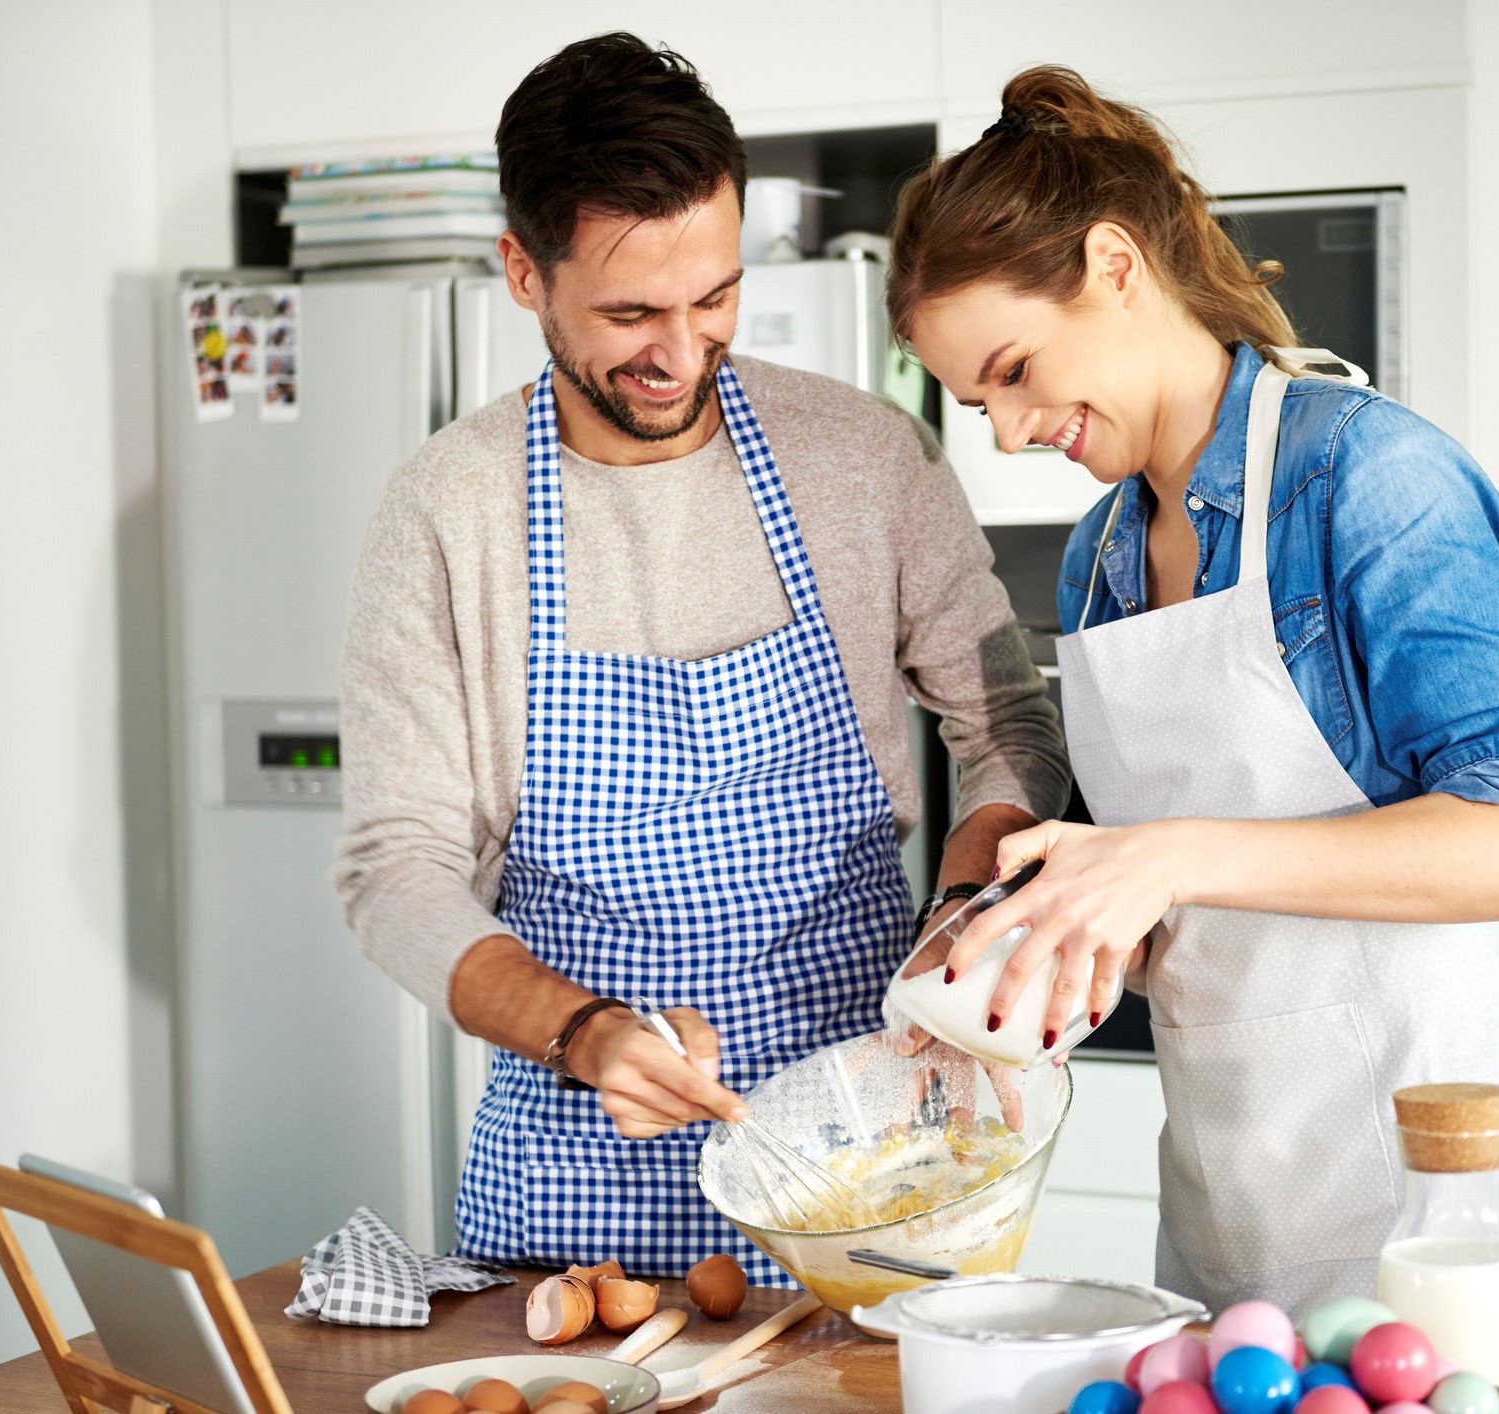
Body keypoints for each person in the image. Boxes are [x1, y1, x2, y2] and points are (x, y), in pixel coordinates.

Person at [885, 67, 1499, 1351]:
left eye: (1015, 371)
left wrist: (1164, 854)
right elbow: (1172, 906)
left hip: (1456, 1222)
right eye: (978, 404)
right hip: (1237, 1222)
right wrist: (1021, 967)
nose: (1010, 432)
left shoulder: (1365, 473)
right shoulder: (1103, 557)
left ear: (1116, 264)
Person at [331, 33, 1069, 1283]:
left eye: (713, 298)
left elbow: (1008, 727)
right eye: (629, 313)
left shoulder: (862, 456)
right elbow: (393, 869)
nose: (679, 353)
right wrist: (581, 1031)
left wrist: (958, 924)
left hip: (874, 1146)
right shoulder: (445, 510)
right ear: (524, 272)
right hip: (576, 1172)